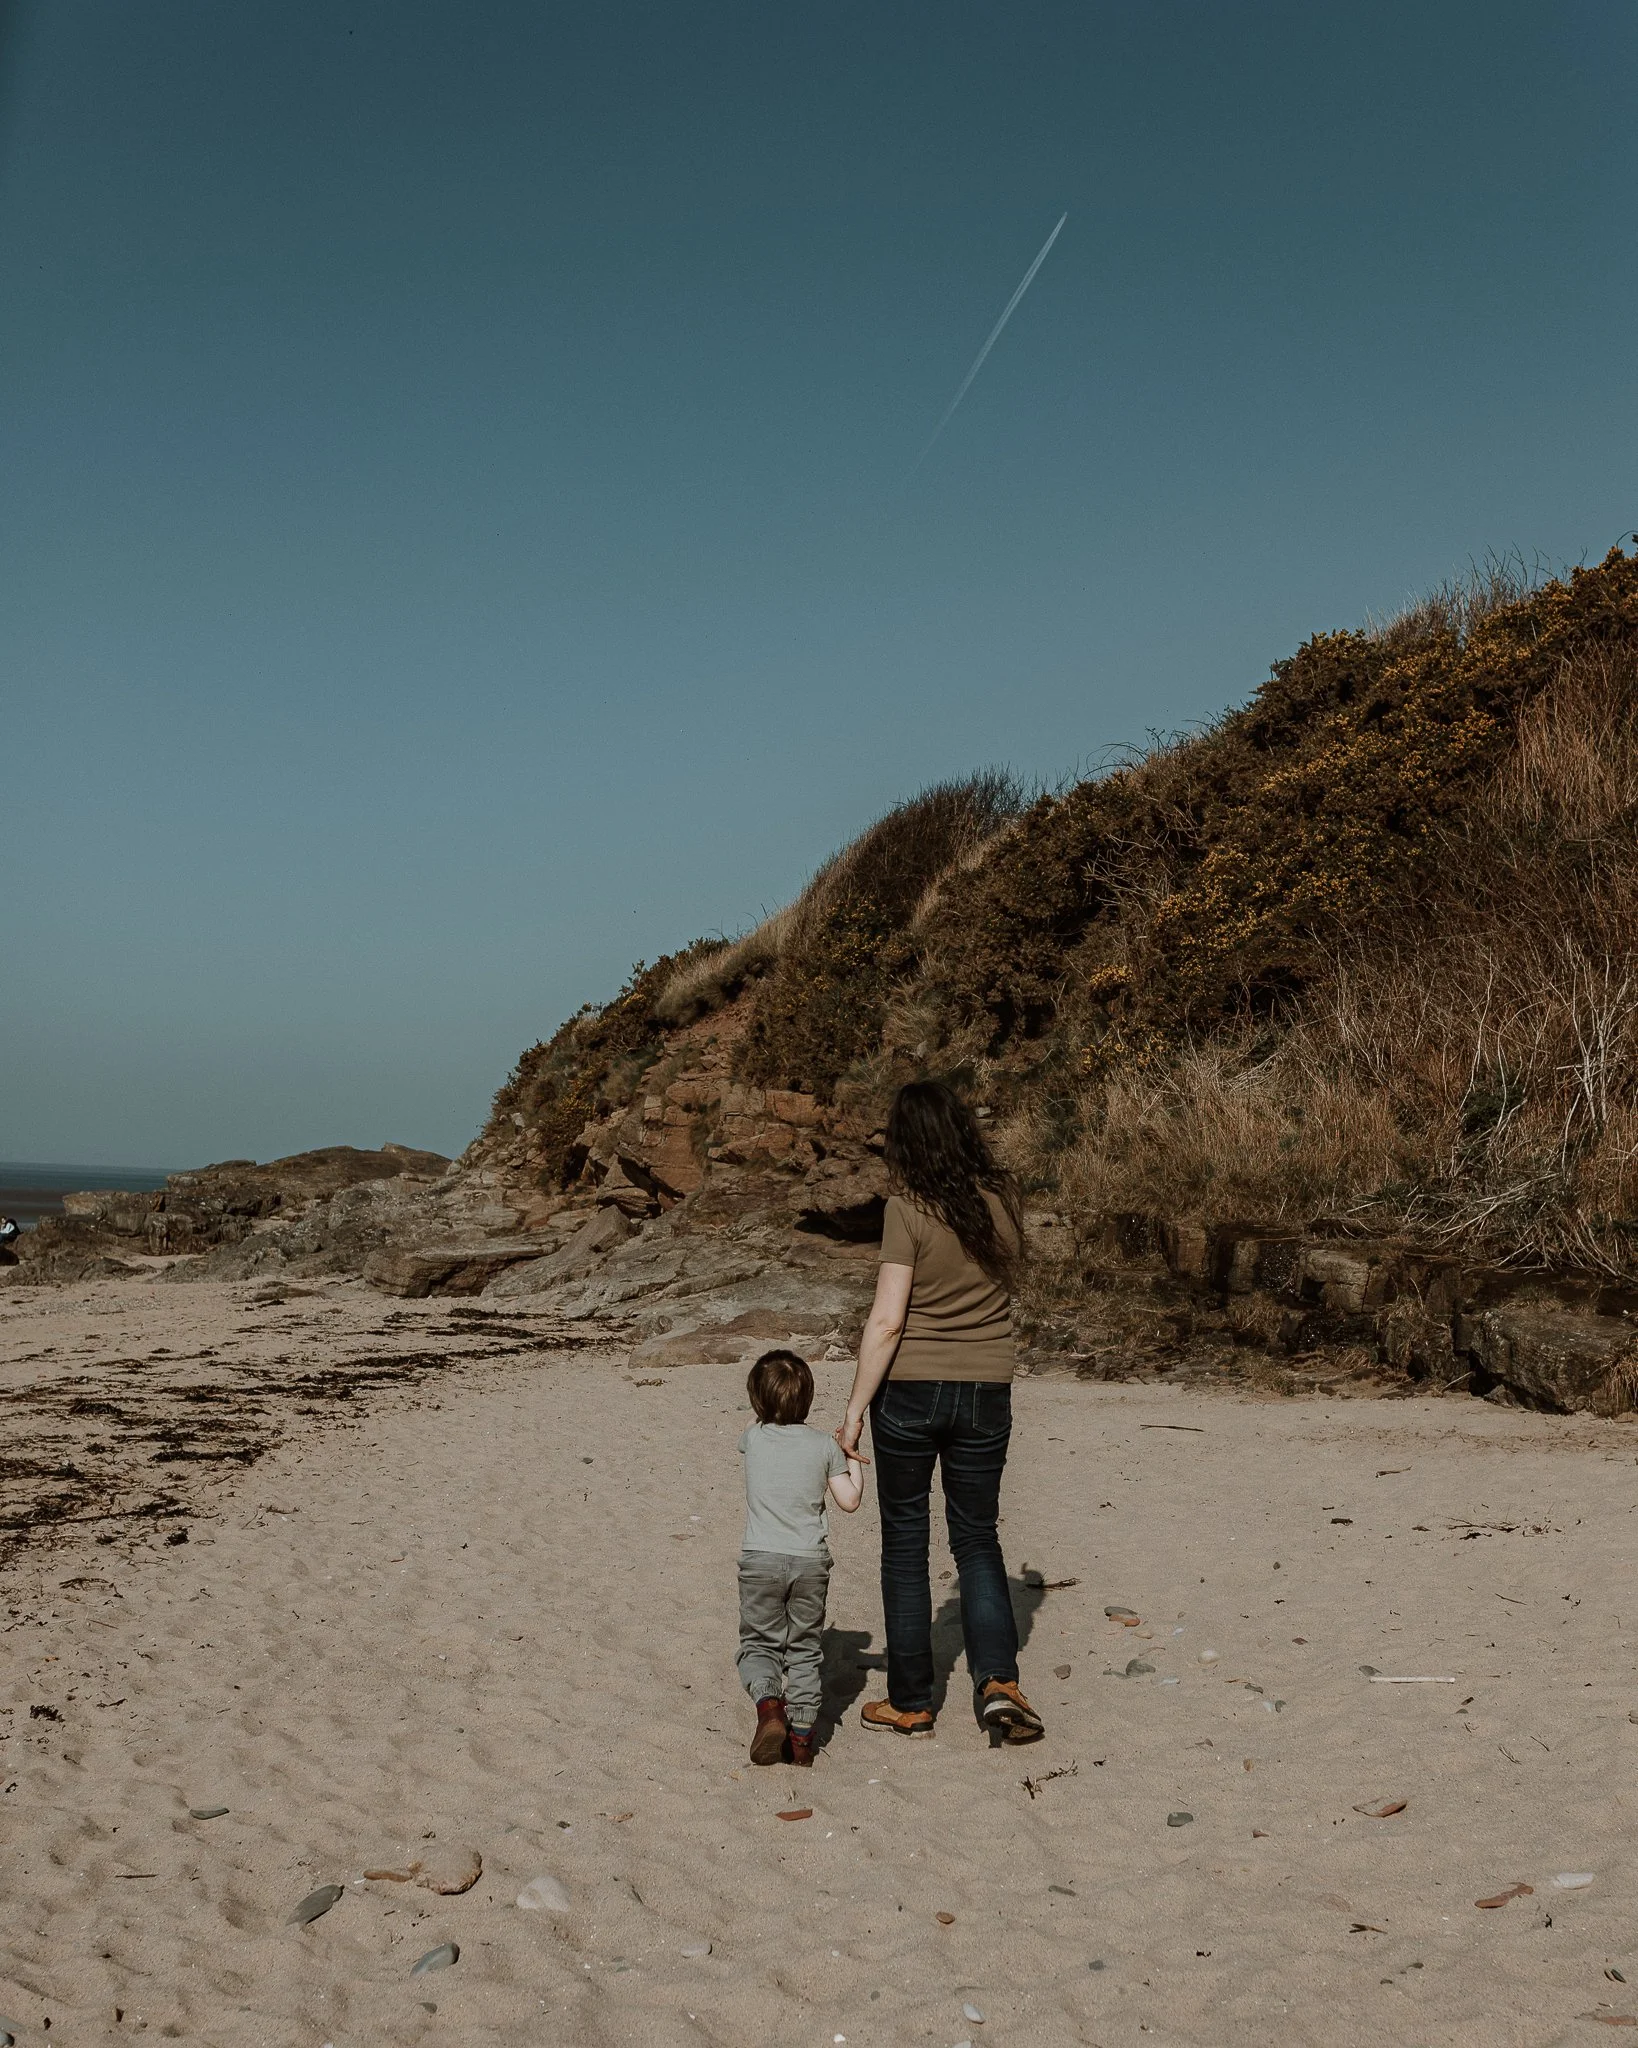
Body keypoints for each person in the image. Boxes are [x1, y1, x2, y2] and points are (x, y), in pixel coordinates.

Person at [836, 1079, 1044, 1745]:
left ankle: (912, 1702)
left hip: (913, 1392)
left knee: (904, 1545)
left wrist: (853, 1410)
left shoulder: (907, 1210)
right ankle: (1000, 1683)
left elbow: (888, 1322)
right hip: (987, 1388)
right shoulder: (1002, 1203)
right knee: (977, 1537)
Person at [737, 1348, 864, 1767]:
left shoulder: (753, 1438)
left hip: (761, 1560)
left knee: (759, 1642)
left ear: (758, 1402)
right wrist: (850, 1453)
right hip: (810, 1561)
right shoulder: (824, 1447)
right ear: (808, 1399)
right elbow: (849, 1501)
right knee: (805, 1649)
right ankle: (803, 1740)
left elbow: (760, 1430)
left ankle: (770, 1707)